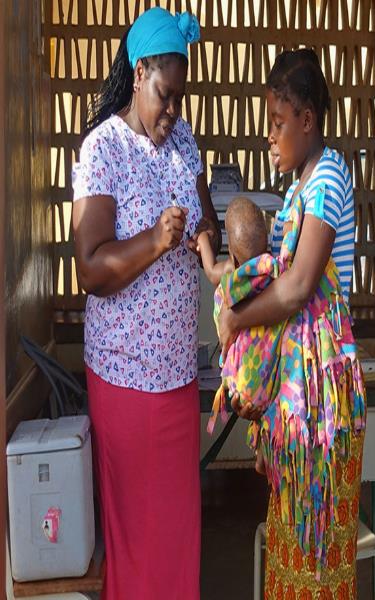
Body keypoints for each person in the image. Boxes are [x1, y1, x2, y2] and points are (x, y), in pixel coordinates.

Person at [71, 8, 216, 600]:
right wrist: (156, 240)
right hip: (125, 376)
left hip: (177, 373)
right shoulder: (102, 149)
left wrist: (204, 245)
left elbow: (203, 218)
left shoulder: (183, 139)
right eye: (165, 94)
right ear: (139, 73)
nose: (173, 110)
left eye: (181, 97)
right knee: (135, 534)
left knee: (177, 531)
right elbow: (91, 266)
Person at [215, 49, 365, 599]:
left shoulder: (326, 178)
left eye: (279, 124)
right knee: (295, 546)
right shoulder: (301, 187)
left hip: (321, 399)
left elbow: (299, 286)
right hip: (301, 396)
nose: (270, 137)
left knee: (316, 550)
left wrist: (235, 318)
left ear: (307, 120)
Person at [197, 196, 268, 286]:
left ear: (233, 257)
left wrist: (203, 238)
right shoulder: (269, 266)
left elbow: (212, 272)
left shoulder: (233, 268)